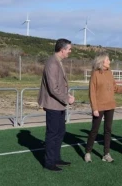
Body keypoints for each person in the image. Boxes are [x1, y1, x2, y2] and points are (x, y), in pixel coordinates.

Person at [84, 52, 122, 163]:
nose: (109, 61)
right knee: (94, 130)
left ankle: (106, 154)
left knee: (108, 130)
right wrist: (94, 108)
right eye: (108, 60)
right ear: (102, 62)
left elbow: (114, 87)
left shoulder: (109, 73)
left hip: (110, 106)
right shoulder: (95, 74)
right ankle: (88, 152)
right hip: (99, 107)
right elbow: (92, 92)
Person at [38, 38, 75, 172]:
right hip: (53, 105)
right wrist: (67, 98)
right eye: (69, 49)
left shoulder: (57, 62)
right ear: (62, 49)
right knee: (52, 134)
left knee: (60, 132)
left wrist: (67, 96)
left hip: (59, 104)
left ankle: (56, 158)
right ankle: (49, 162)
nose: (70, 51)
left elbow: (59, 85)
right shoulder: (52, 63)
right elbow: (53, 88)